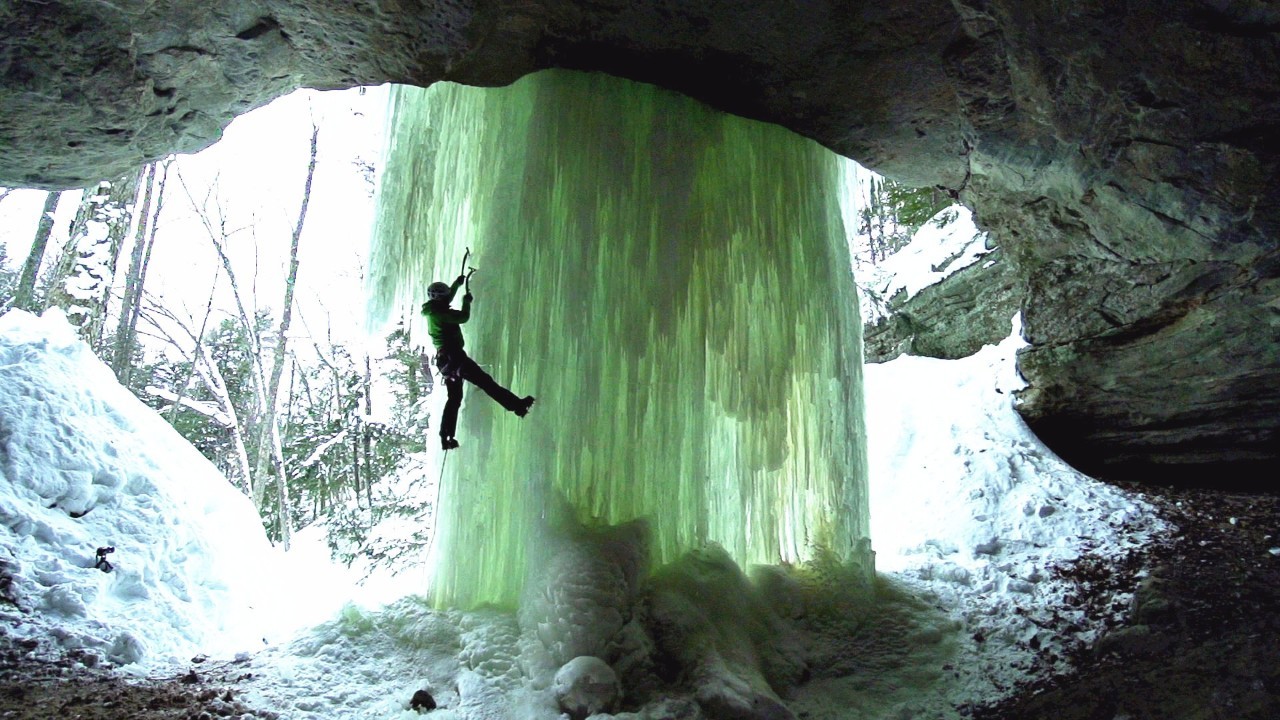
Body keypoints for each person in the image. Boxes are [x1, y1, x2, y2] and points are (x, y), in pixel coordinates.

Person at [422, 273, 534, 450]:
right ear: (440, 298)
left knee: (454, 399)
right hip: (455, 358)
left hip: (445, 362)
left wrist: (457, 285)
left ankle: (446, 437)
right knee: (485, 382)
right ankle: (517, 406)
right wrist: (466, 301)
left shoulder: (432, 310)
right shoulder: (441, 313)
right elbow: (463, 317)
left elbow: (446, 299)